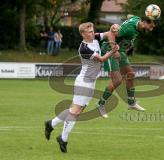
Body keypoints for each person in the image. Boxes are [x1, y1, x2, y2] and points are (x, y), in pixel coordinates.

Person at [44, 22, 118, 153]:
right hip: (83, 82)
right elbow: (101, 59)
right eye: (89, 32)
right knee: (75, 112)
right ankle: (63, 138)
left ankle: (51, 124)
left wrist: (113, 29)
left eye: (92, 31)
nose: (92, 33)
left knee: (77, 111)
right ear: (83, 34)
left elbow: (107, 34)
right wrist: (113, 51)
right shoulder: (84, 48)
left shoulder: (94, 38)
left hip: (91, 82)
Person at [96, 16, 157, 118]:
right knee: (117, 80)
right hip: (110, 51)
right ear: (144, 22)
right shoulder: (129, 28)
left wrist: (119, 24)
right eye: (150, 26)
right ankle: (100, 104)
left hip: (121, 52)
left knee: (131, 75)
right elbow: (111, 33)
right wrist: (113, 49)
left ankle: (131, 103)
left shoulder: (136, 19)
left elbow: (130, 16)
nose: (150, 29)